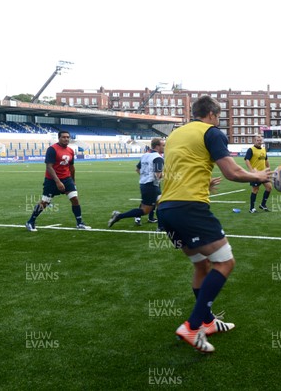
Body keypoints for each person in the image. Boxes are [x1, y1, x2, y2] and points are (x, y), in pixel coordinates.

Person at [157, 95, 270, 353]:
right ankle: (193, 325)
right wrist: (259, 176)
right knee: (225, 262)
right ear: (212, 114)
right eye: (218, 117)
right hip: (190, 208)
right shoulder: (212, 132)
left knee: (202, 264)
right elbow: (233, 172)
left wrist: (202, 182)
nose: (218, 121)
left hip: (167, 208)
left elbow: (178, 169)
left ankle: (207, 322)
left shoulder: (175, 134)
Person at [26, 131, 91, 231]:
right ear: (59, 138)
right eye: (63, 137)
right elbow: (49, 167)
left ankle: (80, 223)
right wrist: (57, 182)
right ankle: (30, 221)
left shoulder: (70, 150)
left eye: (68, 137)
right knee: (45, 202)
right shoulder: (52, 149)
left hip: (66, 178)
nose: (66, 139)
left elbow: (71, 167)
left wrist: (73, 181)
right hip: (52, 180)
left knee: (74, 198)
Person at [108, 138, 165, 229]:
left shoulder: (145, 155)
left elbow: (137, 169)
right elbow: (158, 175)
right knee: (146, 210)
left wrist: (145, 176)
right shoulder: (158, 158)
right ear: (157, 146)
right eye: (163, 145)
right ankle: (119, 216)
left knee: (160, 203)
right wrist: (166, 174)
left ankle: (161, 226)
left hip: (144, 184)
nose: (164, 147)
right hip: (151, 186)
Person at [244, 134, 272, 213]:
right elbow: (247, 160)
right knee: (255, 190)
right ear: (255, 141)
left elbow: (266, 160)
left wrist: (268, 169)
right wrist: (251, 170)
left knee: (269, 187)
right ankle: (251, 208)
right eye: (257, 140)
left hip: (264, 173)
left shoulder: (263, 149)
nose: (259, 142)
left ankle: (263, 204)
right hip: (255, 174)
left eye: (260, 140)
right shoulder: (251, 149)